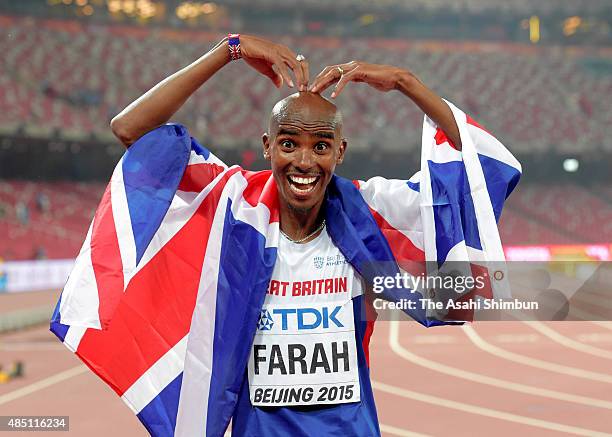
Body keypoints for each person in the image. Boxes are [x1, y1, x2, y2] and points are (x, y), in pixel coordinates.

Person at [52, 33, 518, 437]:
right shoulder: (235, 206)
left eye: (320, 146)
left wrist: (405, 83)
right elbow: (131, 129)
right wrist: (228, 50)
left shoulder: (369, 214)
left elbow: (479, 171)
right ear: (267, 146)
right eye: (289, 143)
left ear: (340, 152)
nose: (304, 162)